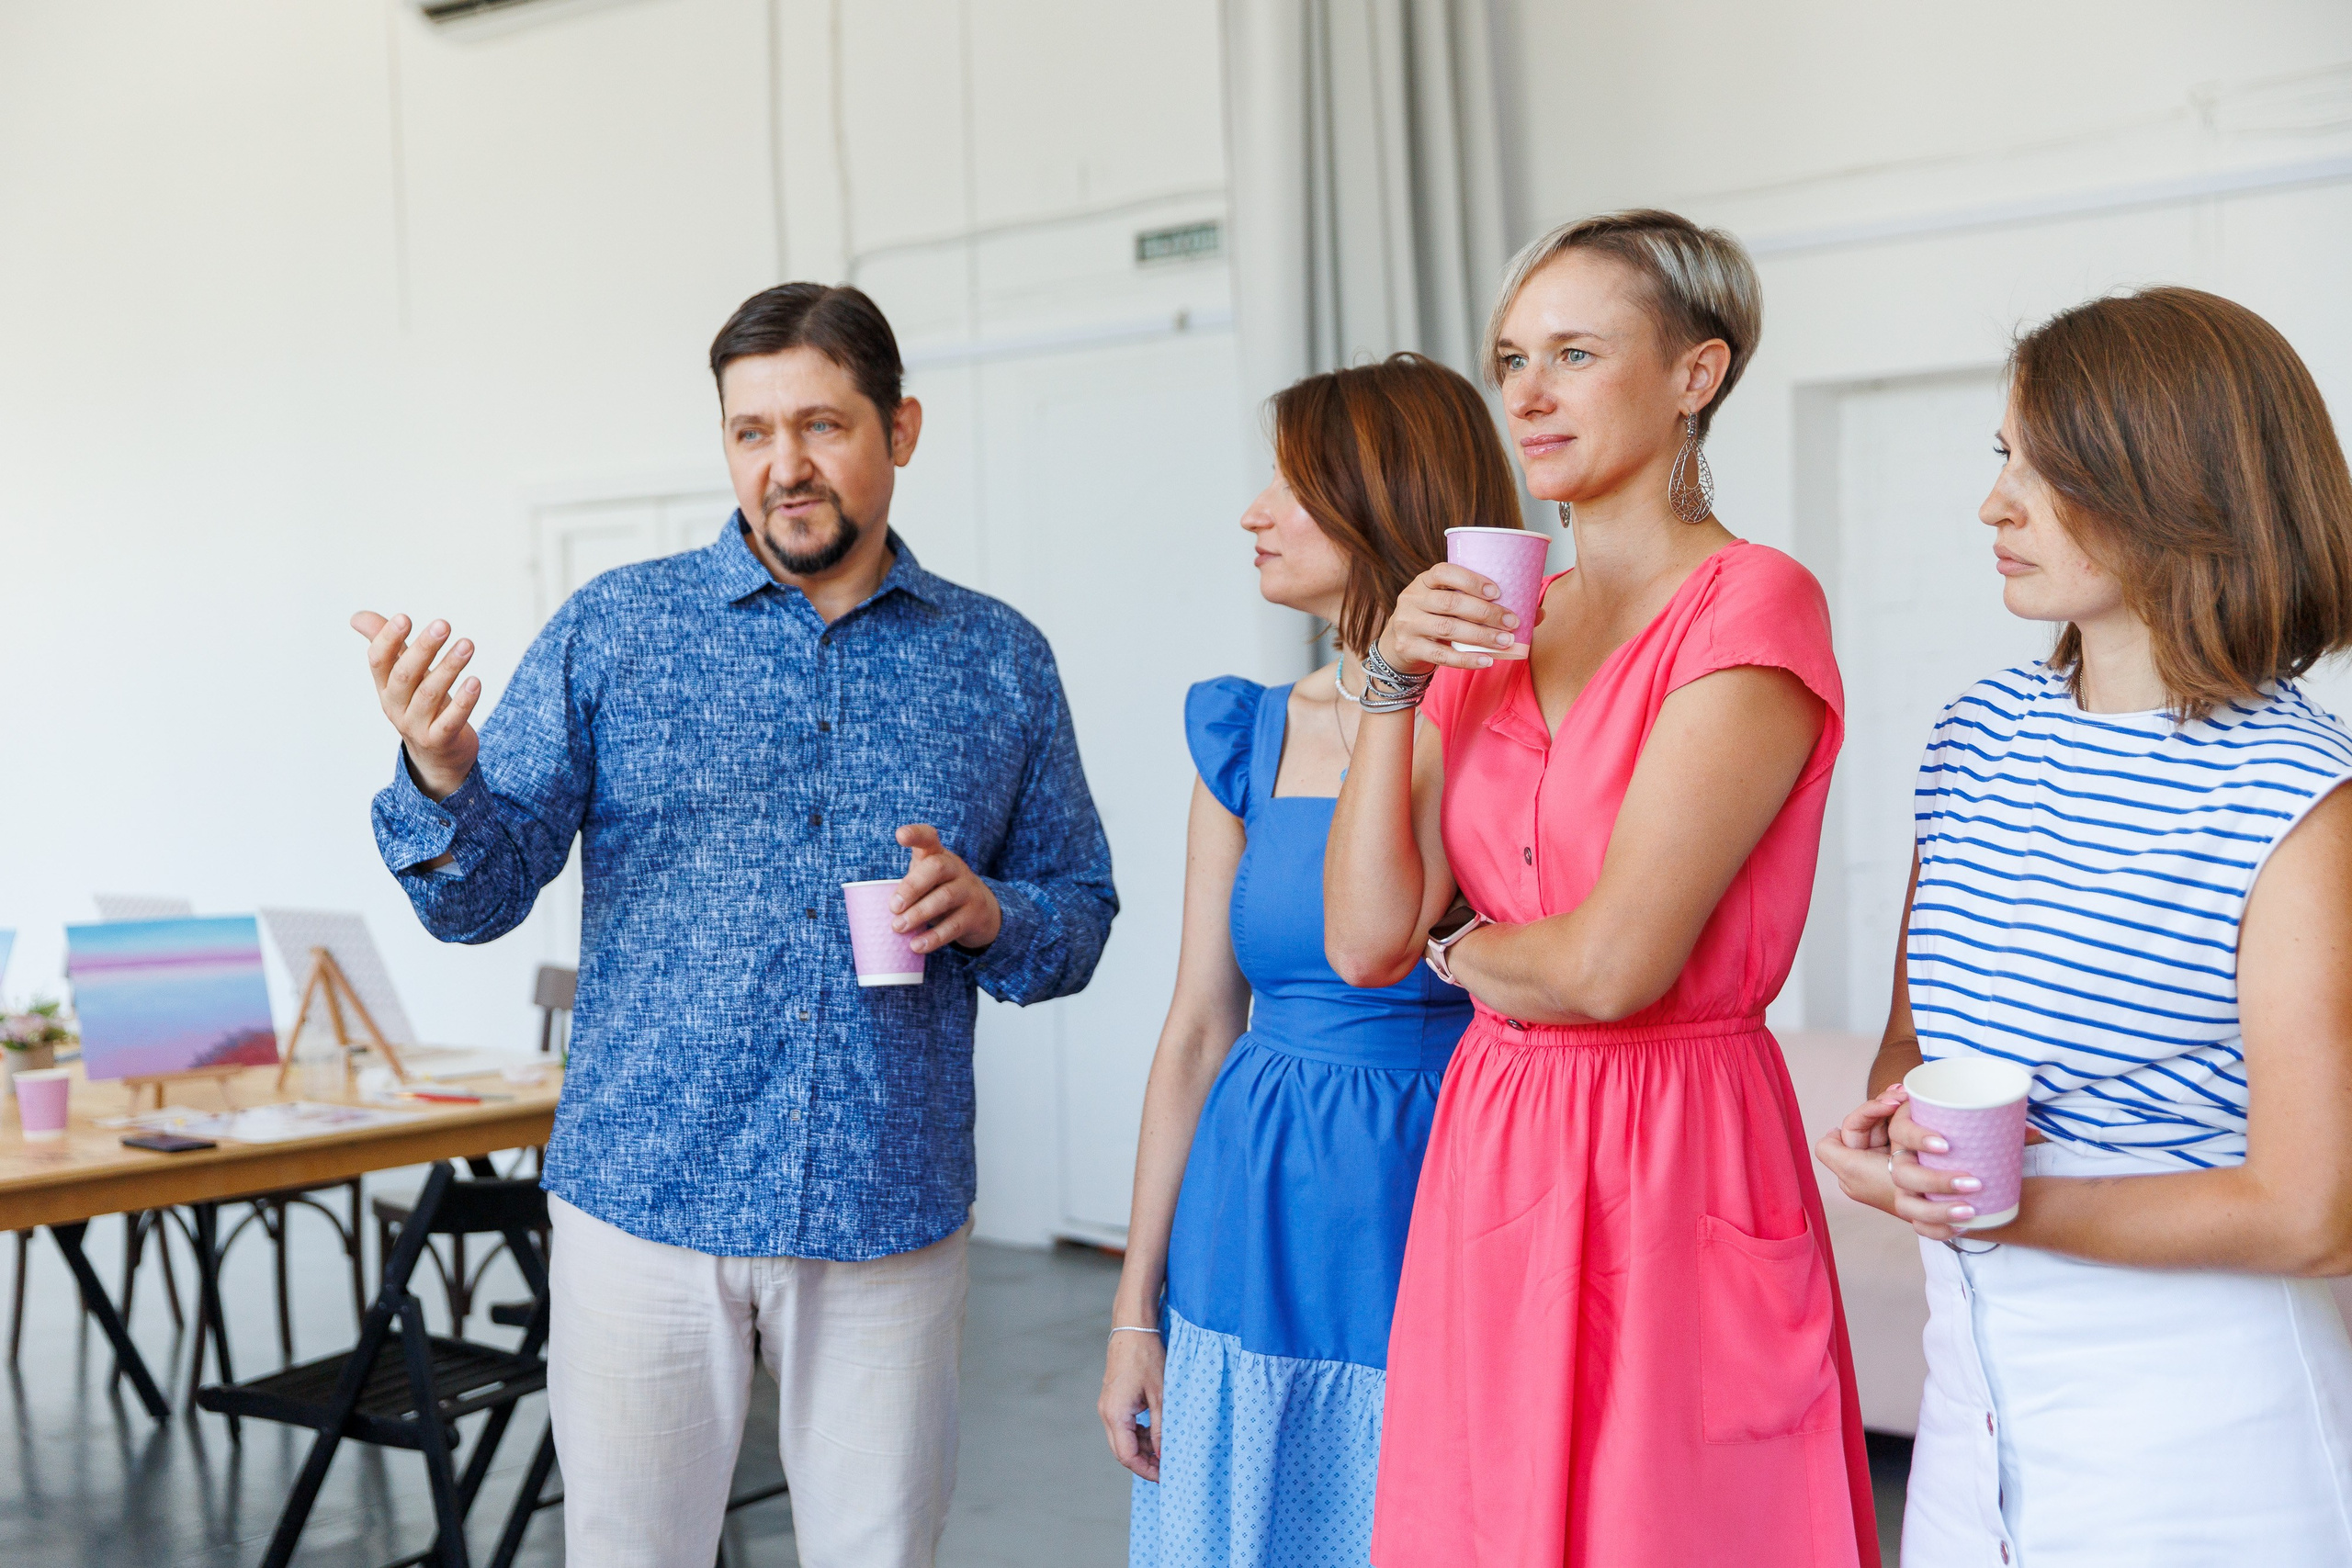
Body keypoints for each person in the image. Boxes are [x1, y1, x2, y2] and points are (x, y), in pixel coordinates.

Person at [352, 283, 1117, 1568]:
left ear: (902, 429)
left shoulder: (999, 659)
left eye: (820, 424)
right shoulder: (616, 630)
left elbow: (1079, 919)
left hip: (887, 1202)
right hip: (643, 1201)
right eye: (750, 432)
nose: (786, 465)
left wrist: (994, 912)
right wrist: (439, 775)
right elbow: (478, 898)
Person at [1325, 210, 1879, 1566]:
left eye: (1575, 352)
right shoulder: (1499, 622)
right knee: (1488, 1521)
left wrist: (1463, 953)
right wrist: (1395, 683)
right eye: (1513, 357)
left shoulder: (1753, 605)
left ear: (1697, 374)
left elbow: (1613, 968)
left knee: (1673, 1527)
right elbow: (1363, 935)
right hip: (1500, 1133)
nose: (1527, 392)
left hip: (1677, 1134)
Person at [1816, 287, 2352, 1567]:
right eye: (2003, 458)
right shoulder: (1976, 741)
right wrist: (1904, 1137)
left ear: (2180, 488)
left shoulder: (2297, 801)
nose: (1997, 504)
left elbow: (2313, 1211)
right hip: (1971, 1409)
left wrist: (2000, 1207)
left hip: (2206, 1433)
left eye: (2047, 470)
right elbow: (1912, 1046)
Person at [1098, 355, 1507, 1568]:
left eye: (1292, 486)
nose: (1253, 514)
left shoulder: (1515, 725)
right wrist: (1133, 1314)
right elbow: (1194, 1029)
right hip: (1253, 1194)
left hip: (1440, 1185)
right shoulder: (1247, 731)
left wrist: (1418, 686)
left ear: (1386, 503)